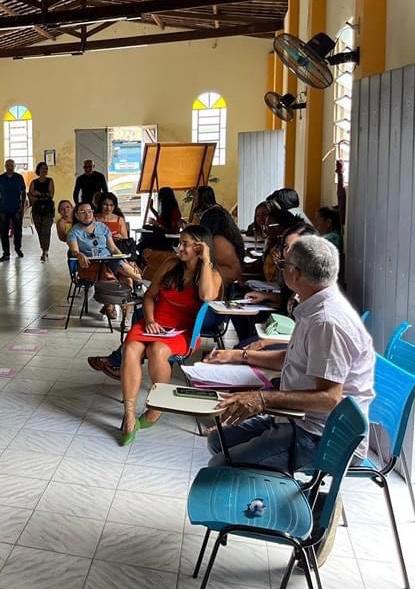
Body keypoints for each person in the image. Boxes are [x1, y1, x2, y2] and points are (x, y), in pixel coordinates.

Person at [204, 236, 374, 471]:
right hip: (297, 418)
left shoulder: (327, 322)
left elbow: (329, 398)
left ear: (294, 273)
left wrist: (262, 400)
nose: (280, 269)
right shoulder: (313, 306)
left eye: (282, 265)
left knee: (221, 466)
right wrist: (238, 356)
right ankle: (264, 487)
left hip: (320, 436)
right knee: (217, 439)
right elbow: (293, 358)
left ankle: (262, 496)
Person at [118, 225, 222, 444]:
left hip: (183, 331)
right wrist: (150, 320)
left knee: (157, 350)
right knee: (131, 348)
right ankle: (128, 413)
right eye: (180, 242)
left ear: (199, 247)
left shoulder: (212, 274)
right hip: (156, 321)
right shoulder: (170, 264)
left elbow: (206, 296)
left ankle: (155, 408)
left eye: (185, 243)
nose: (179, 247)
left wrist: (206, 260)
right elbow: (149, 296)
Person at [67, 203, 142, 294]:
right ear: (77, 215)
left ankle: (132, 294)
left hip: (109, 259)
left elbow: (113, 248)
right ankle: (141, 282)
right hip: (91, 264)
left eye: (89, 211)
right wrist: (79, 255)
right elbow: (74, 251)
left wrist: (124, 259)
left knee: (127, 279)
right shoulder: (74, 232)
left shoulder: (101, 227)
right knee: (116, 274)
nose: (87, 214)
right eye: (83, 212)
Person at [194, 186, 245, 286]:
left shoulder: (218, 240)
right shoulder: (220, 212)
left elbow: (204, 261)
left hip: (226, 280)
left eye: (196, 196)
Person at [0, 159, 27, 262]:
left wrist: (22, 205)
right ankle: (6, 253)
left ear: (14, 166)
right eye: (8, 165)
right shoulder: (0, 178)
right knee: (3, 232)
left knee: (18, 230)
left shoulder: (19, 178)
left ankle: (18, 248)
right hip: (4, 208)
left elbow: (23, 192)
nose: (10, 167)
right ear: (5, 166)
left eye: (11, 165)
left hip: (16, 208)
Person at [28, 161, 55, 262]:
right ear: (38, 170)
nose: (44, 170)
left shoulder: (50, 180)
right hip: (37, 210)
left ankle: (45, 251)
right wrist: (41, 195)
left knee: (46, 230)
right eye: (42, 168)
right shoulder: (34, 182)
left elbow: (51, 194)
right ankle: (43, 248)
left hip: (47, 209)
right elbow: (31, 194)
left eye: (45, 168)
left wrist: (38, 194)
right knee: (39, 230)